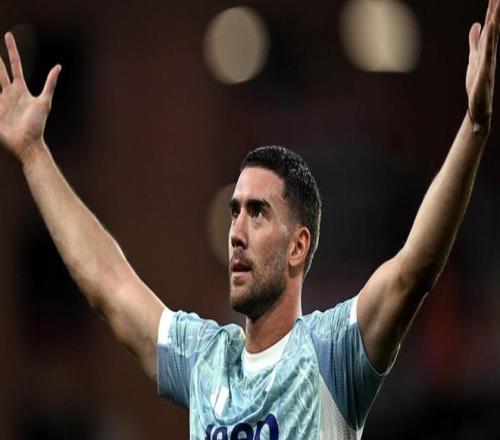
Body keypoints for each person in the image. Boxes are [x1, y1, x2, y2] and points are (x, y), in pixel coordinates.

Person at [0, 1, 498, 438]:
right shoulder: (204, 360)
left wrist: (473, 127)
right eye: (234, 211)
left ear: (299, 246)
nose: (236, 232)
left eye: (258, 213)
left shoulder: (334, 354)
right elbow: (109, 284)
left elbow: (413, 270)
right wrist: (33, 153)